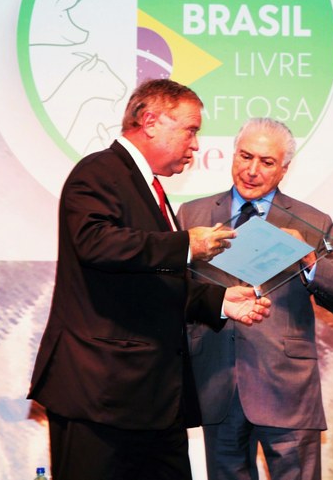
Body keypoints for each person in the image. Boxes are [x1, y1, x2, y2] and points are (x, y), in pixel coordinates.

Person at [28, 78, 272, 480]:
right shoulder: (97, 172)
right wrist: (186, 244)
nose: (196, 144)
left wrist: (219, 301)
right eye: (190, 130)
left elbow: (152, 281)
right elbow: (95, 243)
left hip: (153, 400)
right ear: (151, 121)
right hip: (101, 394)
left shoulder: (149, 187)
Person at [177, 118, 333, 480]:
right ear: (233, 154)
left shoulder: (312, 221)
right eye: (245, 156)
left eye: (267, 162)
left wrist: (309, 258)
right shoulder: (193, 215)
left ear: (284, 169)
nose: (252, 170)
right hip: (217, 383)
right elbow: (175, 294)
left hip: (287, 387)